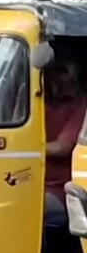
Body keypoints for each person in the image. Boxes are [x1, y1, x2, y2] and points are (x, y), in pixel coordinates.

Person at [44, 59, 87, 221]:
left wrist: (25, 148)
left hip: (59, 190)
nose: (56, 77)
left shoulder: (80, 105)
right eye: (52, 70)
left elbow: (63, 147)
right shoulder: (34, 100)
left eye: (63, 71)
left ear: (75, 75)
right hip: (22, 181)